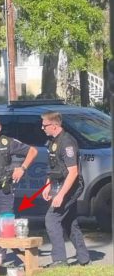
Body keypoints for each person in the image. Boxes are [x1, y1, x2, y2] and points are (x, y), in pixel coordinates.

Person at [41, 111, 90, 267]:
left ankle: (60, 260)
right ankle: (84, 258)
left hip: (71, 186)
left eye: (45, 125)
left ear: (54, 125)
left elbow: (73, 172)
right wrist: (48, 185)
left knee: (52, 219)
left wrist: (61, 195)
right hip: (60, 183)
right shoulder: (53, 142)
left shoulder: (67, 142)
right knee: (69, 221)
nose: (42, 128)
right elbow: (54, 167)